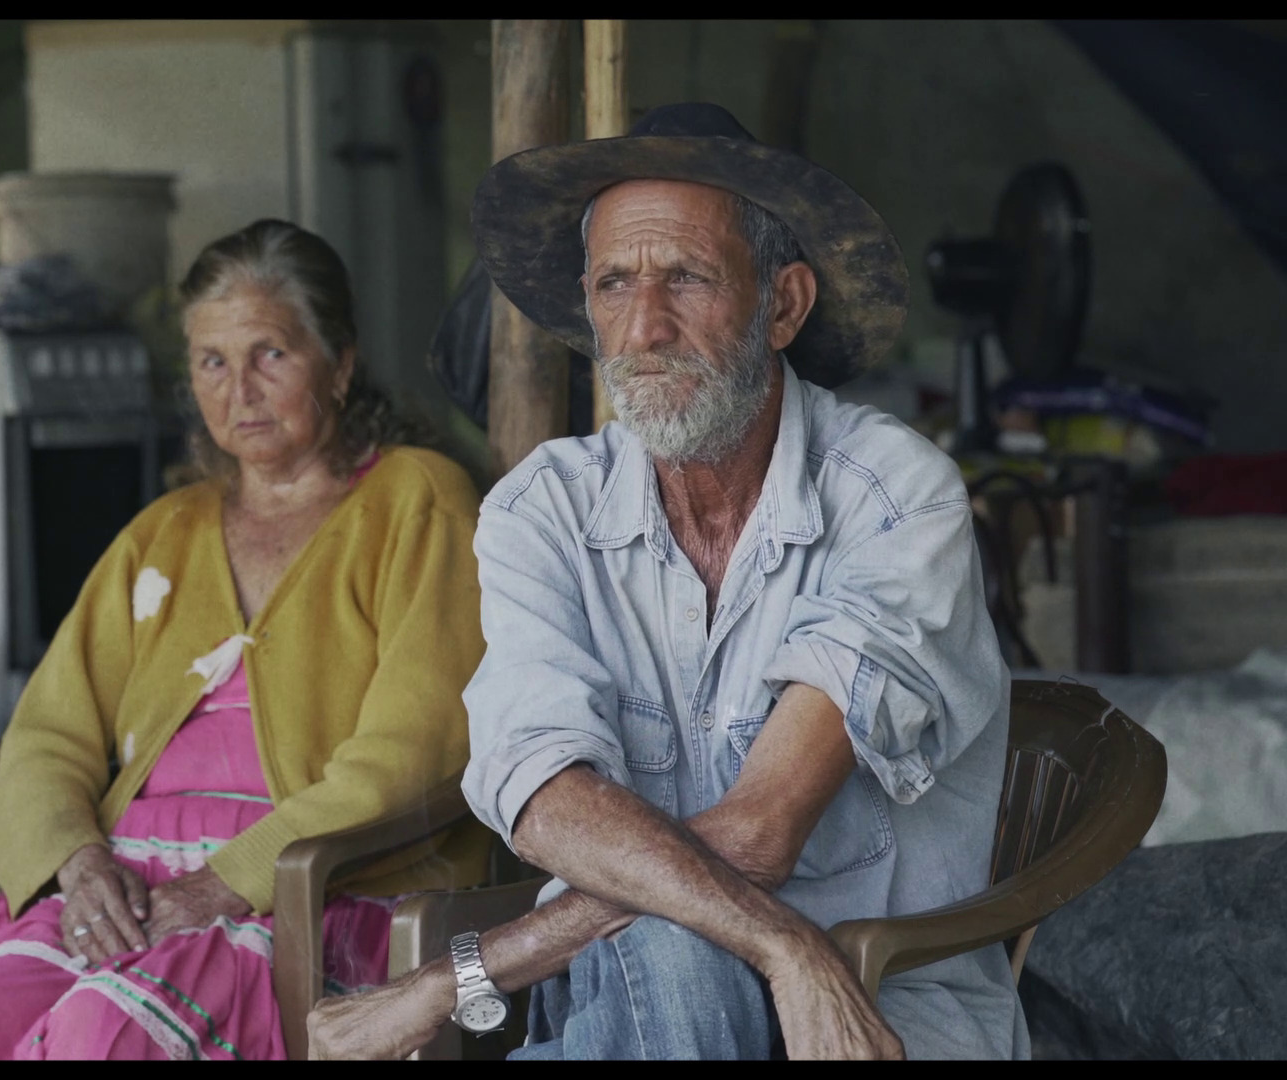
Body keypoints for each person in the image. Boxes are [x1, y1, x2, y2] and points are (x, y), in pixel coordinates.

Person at [308, 103, 1024, 1060]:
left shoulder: (896, 498)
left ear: (783, 305)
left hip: (868, 1004)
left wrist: (462, 977)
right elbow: (549, 803)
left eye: (686, 278)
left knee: (675, 940)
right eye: (614, 283)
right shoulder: (542, 513)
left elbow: (766, 829)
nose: (644, 327)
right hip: (630, 1001)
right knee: (670, 951)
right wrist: (779, 943)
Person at [0, 219, 492, 1061]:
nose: (240, 391)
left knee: (104, 1034)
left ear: (341, 363)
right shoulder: (163, 532)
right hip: (130, 883)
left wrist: (225, 883)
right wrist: (78, 866)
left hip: (311, 887)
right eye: (213, 362)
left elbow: (420, 748)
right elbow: (45, 737)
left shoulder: (417, 500)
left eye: (271, 355)